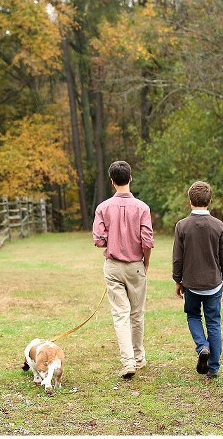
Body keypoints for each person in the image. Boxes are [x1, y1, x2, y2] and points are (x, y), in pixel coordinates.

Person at [93, 160, 154, 379]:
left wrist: (111, 239)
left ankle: (128, 361)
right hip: (136, 265)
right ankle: (138, 357)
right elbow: (147, 241)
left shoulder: (103, 208)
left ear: (112, 181)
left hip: (113, 265)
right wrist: (145, 262)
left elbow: (99, 240)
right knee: (137, 314)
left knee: (120, 315)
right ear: (130, 178)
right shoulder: (142, 208)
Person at [172, 181, 223, 379]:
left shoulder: (182, 226)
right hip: (213, 283)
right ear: (209, 201)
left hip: (191, 283)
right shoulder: (218, 225)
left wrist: (177, 279)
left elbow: (177, 257)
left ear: (190, 201)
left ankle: (202, 346)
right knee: (214, 322)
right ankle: (213, 367)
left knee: (193, 316)